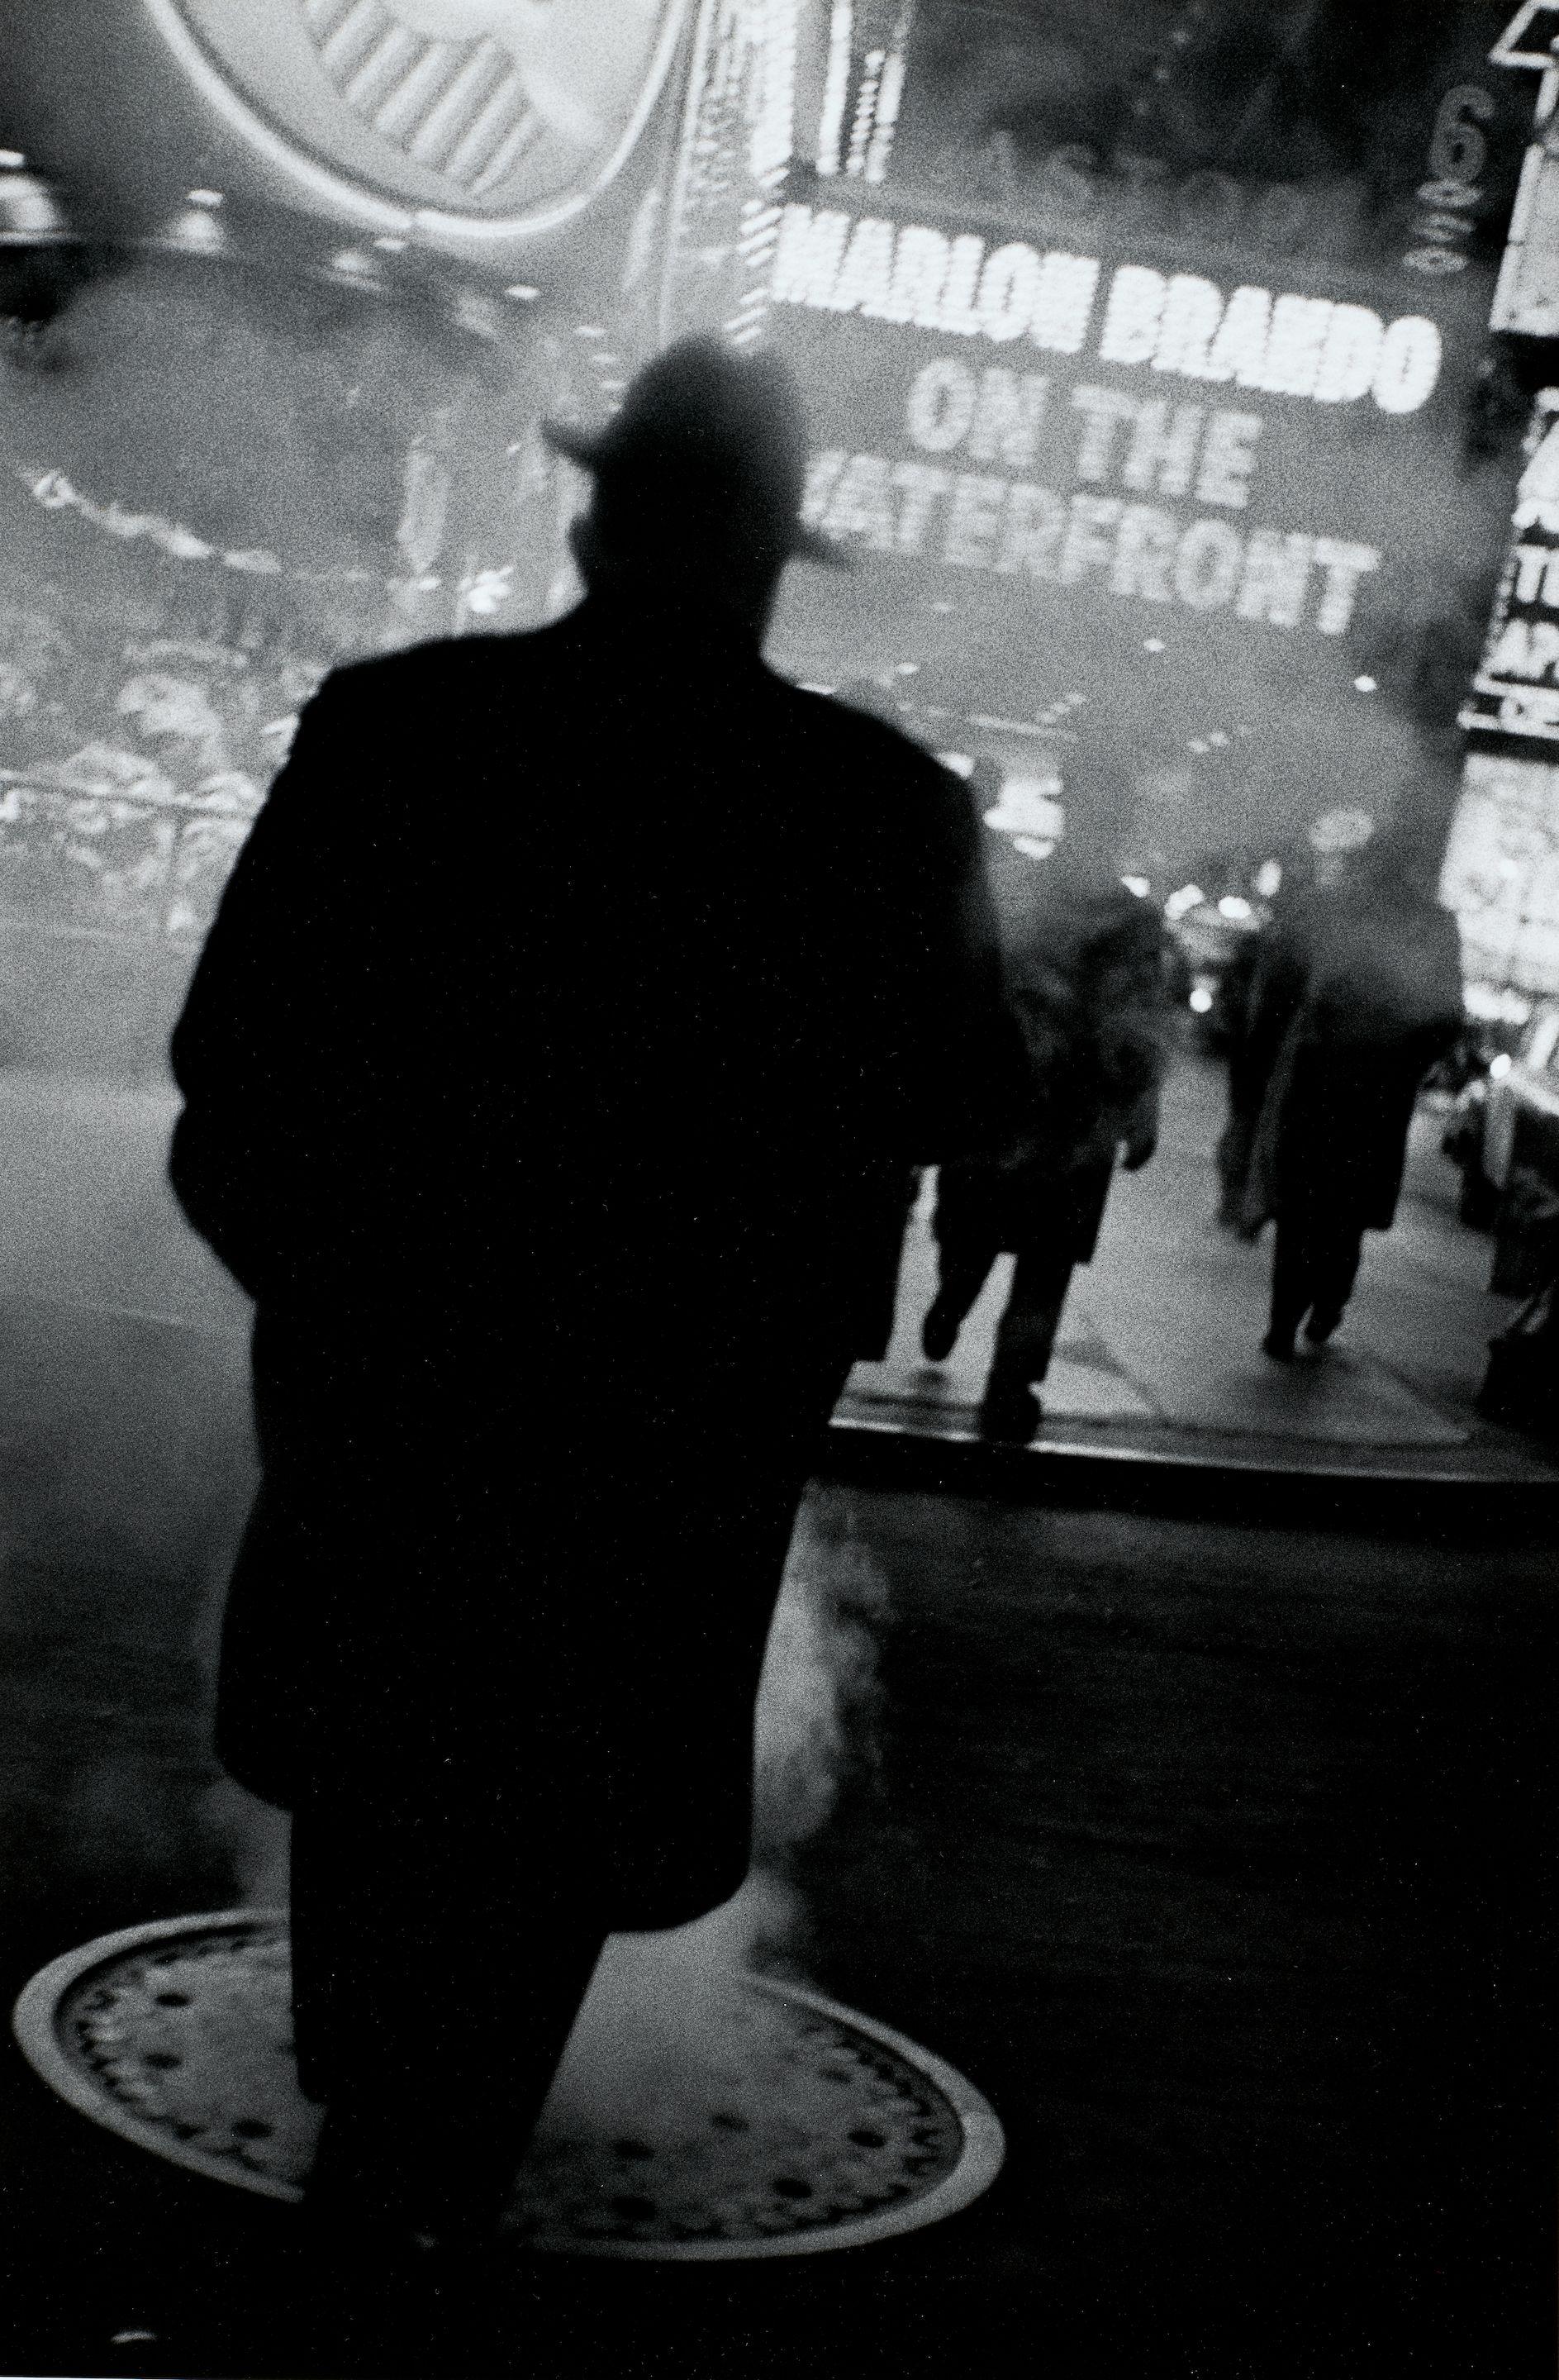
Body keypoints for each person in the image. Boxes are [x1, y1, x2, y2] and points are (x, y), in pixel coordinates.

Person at [167, 336, 1024, 2244]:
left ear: (590, 526)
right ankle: (423, 2184)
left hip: (393, 1426)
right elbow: (976, 1093)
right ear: (769, 564)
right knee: (542, 1853)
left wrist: (337, 1302)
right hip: (664, 1472)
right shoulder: (879, 810)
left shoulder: (399, 728)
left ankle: (369, 2162)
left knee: (379, 1801)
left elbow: (228, 1071)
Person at [921, 762, 1168, 1442]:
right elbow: (1144, 1020)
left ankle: (988, 1351)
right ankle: (995, 1363)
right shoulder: (1126, 918)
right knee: (1027, 1253)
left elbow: (1140, 1019)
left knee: (1001, 1240)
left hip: (1026, 1102)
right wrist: (1139, 1108)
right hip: (1057, 1110)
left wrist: (1139, 1105)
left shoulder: (1026, 891)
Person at [1235, 831, 1463, 1361]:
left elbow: (1277, 992)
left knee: (1304, 1207)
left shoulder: (1334, 913)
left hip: (1321, 1082)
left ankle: (1289, 1318)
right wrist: (1409, 1060)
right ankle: (1320, 1307)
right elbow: (1447, 1016)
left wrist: (1266, 1061)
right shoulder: (1429, 926)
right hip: (1374, 1094)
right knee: (1341, 1214)